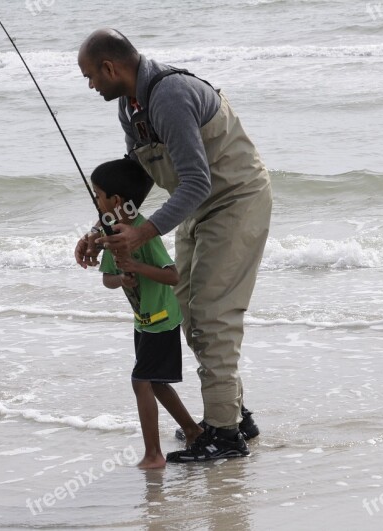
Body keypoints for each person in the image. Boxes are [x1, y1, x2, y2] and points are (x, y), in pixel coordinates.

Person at [75, 29, 272, 461]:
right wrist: (100, 230)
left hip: (236, 201)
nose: (90, 86)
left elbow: (199, 180)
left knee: (212, 315)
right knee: (189, 308)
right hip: (197, 208)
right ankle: (236, 417)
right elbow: (134, 181)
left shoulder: (169, 95)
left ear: (111, 68)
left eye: (90, 76)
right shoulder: (131, 108)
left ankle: (224, 436)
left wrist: (143, 233)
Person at [92, 158, 204, 468]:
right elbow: (107, 280)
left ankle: (154, 455)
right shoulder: (110, 233)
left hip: (162, 320)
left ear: (116, 201)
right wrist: (123, 277)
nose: (95, 201)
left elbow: (173, 276)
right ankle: (193, 430)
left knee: (141, 381)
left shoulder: (143, 232)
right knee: (155, 383)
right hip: (142, 322)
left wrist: (138, 267)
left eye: (98, 195)